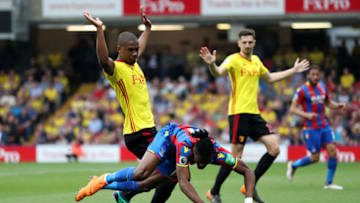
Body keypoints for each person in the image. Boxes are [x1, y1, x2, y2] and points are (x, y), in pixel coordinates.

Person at [199, 28, 310, 203]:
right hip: (238, 113)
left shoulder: (256, 61)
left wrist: (293, 70)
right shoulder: (233, 59)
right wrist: (211, 63)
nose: (248, 45)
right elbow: (218, 72)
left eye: (250, 42)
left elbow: (271, 78)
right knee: (235, 157)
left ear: (254, 43)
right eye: (244, 42)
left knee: (274, 148)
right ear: (239, 43)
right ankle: (214, 191)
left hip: (254, 113)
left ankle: (249, 185)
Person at [83, 10, 176, 203]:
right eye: (131, 50)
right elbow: (102, 60)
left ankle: (123, 194)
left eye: (136, 50)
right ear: (119, 49)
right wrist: (100, 30)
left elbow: (140, 45)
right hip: (138, 132)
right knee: (170, 172)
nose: (135, 53)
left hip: (149, 129)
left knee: (164, 175)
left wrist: (148, 28)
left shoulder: (134, 64)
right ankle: (106, 184)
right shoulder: (116, 69)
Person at [75, 123, 255, 203]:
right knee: (140, 174)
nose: (201, 166)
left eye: (205, 164)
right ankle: (106, 178)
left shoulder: (220, 154)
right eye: (199, 162)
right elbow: (184, 183)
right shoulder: (186, 149)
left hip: (178, 150)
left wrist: (248, 199)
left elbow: (247, 171)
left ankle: (99, 185)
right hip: (168, 138)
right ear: (194, 153)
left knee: (145, 185)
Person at [287, 66, 345, 190]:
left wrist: (337, 106)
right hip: (310, 128)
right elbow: (292, 109)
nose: (315, 77)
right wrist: (307, 115)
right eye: (313, 74)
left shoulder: (322, 87)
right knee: (315, 158)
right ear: (308, 76)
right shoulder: (302, 90)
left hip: (324, 125)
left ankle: (329, 183)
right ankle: (293, 165)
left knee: (333, 151)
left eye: (317, 74)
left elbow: (328, 103)